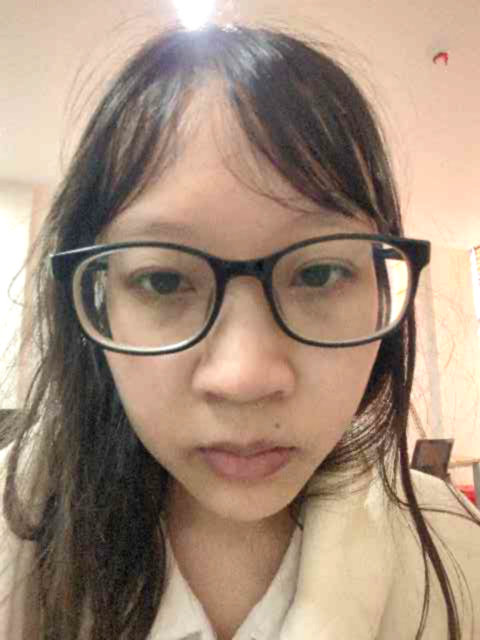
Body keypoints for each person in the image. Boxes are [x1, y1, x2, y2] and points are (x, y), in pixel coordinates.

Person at [1, 22, 479, 640]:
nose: (245, 377)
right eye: (164, 281)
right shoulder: (14, 547)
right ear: (95, 299)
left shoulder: (459, 555)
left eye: (320, 273)